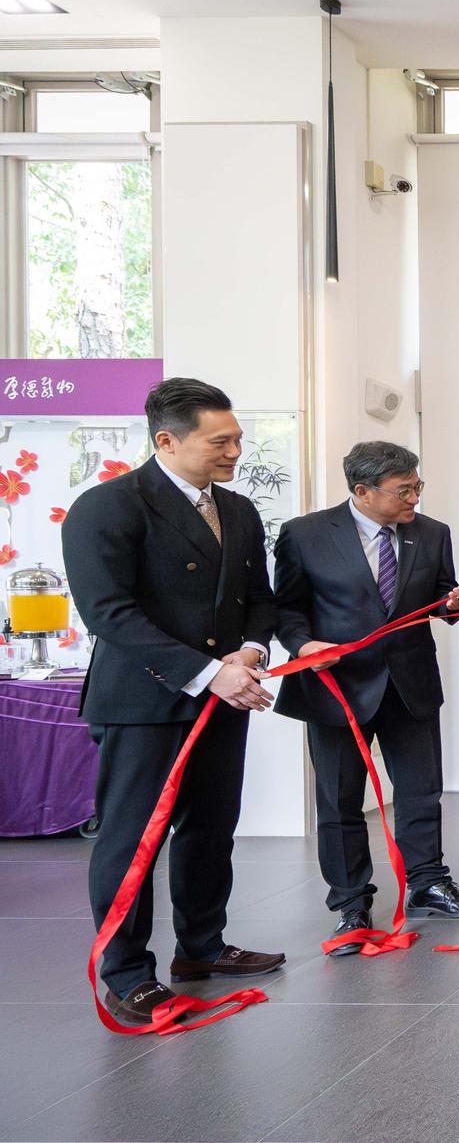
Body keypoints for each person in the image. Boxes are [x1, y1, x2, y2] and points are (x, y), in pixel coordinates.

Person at [61, 378, 284, 1026]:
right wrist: (209, 672)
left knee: (211, 828)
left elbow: (259, 599)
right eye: (221, 441)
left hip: (224, 695)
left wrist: (250, 650)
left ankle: (203, 947)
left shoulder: (238, 510)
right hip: (143, 700)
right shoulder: (108, 507)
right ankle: (127, 973)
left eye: (239, 439)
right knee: (133, 839)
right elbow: (110, 614)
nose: (235, 451)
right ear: (167, 440)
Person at [273, 441, 459, 953]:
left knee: (420, 789)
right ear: (362, 491)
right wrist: (303, 645)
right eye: (403, 490)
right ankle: (350, 902)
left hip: (409, 683)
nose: (414, 497)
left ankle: (428, 882)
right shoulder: (304, 535)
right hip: (338, 686)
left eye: (418, 486)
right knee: (341, 797)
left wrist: (453, 602)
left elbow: (440, 598)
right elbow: (285, 610)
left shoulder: (431, 532)